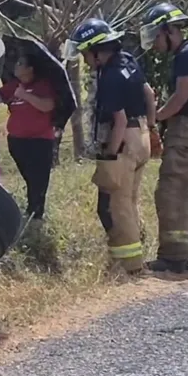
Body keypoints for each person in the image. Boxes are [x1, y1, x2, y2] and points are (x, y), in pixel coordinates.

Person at [67, 18, 157, 274]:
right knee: (130, 201)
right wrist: (150, 129)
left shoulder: (110, 77)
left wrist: (109, 155)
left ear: (96, 50)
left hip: (124, 141)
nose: (84, 59)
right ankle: (132, 255)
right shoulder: (127, 60)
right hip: (140, 136)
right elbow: (149, 94)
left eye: (85, 53)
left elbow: (117, 120)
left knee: (116, 207)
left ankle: (129, 266)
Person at [138, 2, 188, 274]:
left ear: (169, 31)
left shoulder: (186, 56)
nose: (155, 44)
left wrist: (154, 117)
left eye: (156, 36)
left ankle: (173, 256)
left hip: (186, 129)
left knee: (170, 191)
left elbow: (180, 97)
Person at [0, 54, 56, 221]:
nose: (16, 66)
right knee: (30, 177)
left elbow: (48, 106)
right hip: (17, 141)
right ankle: (32, 210)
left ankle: (35, 214)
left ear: (30, 69)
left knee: (38, 179)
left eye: (20, 63)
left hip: (39, 141)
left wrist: (25, 95)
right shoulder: (14, 85)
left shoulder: (43, 85)